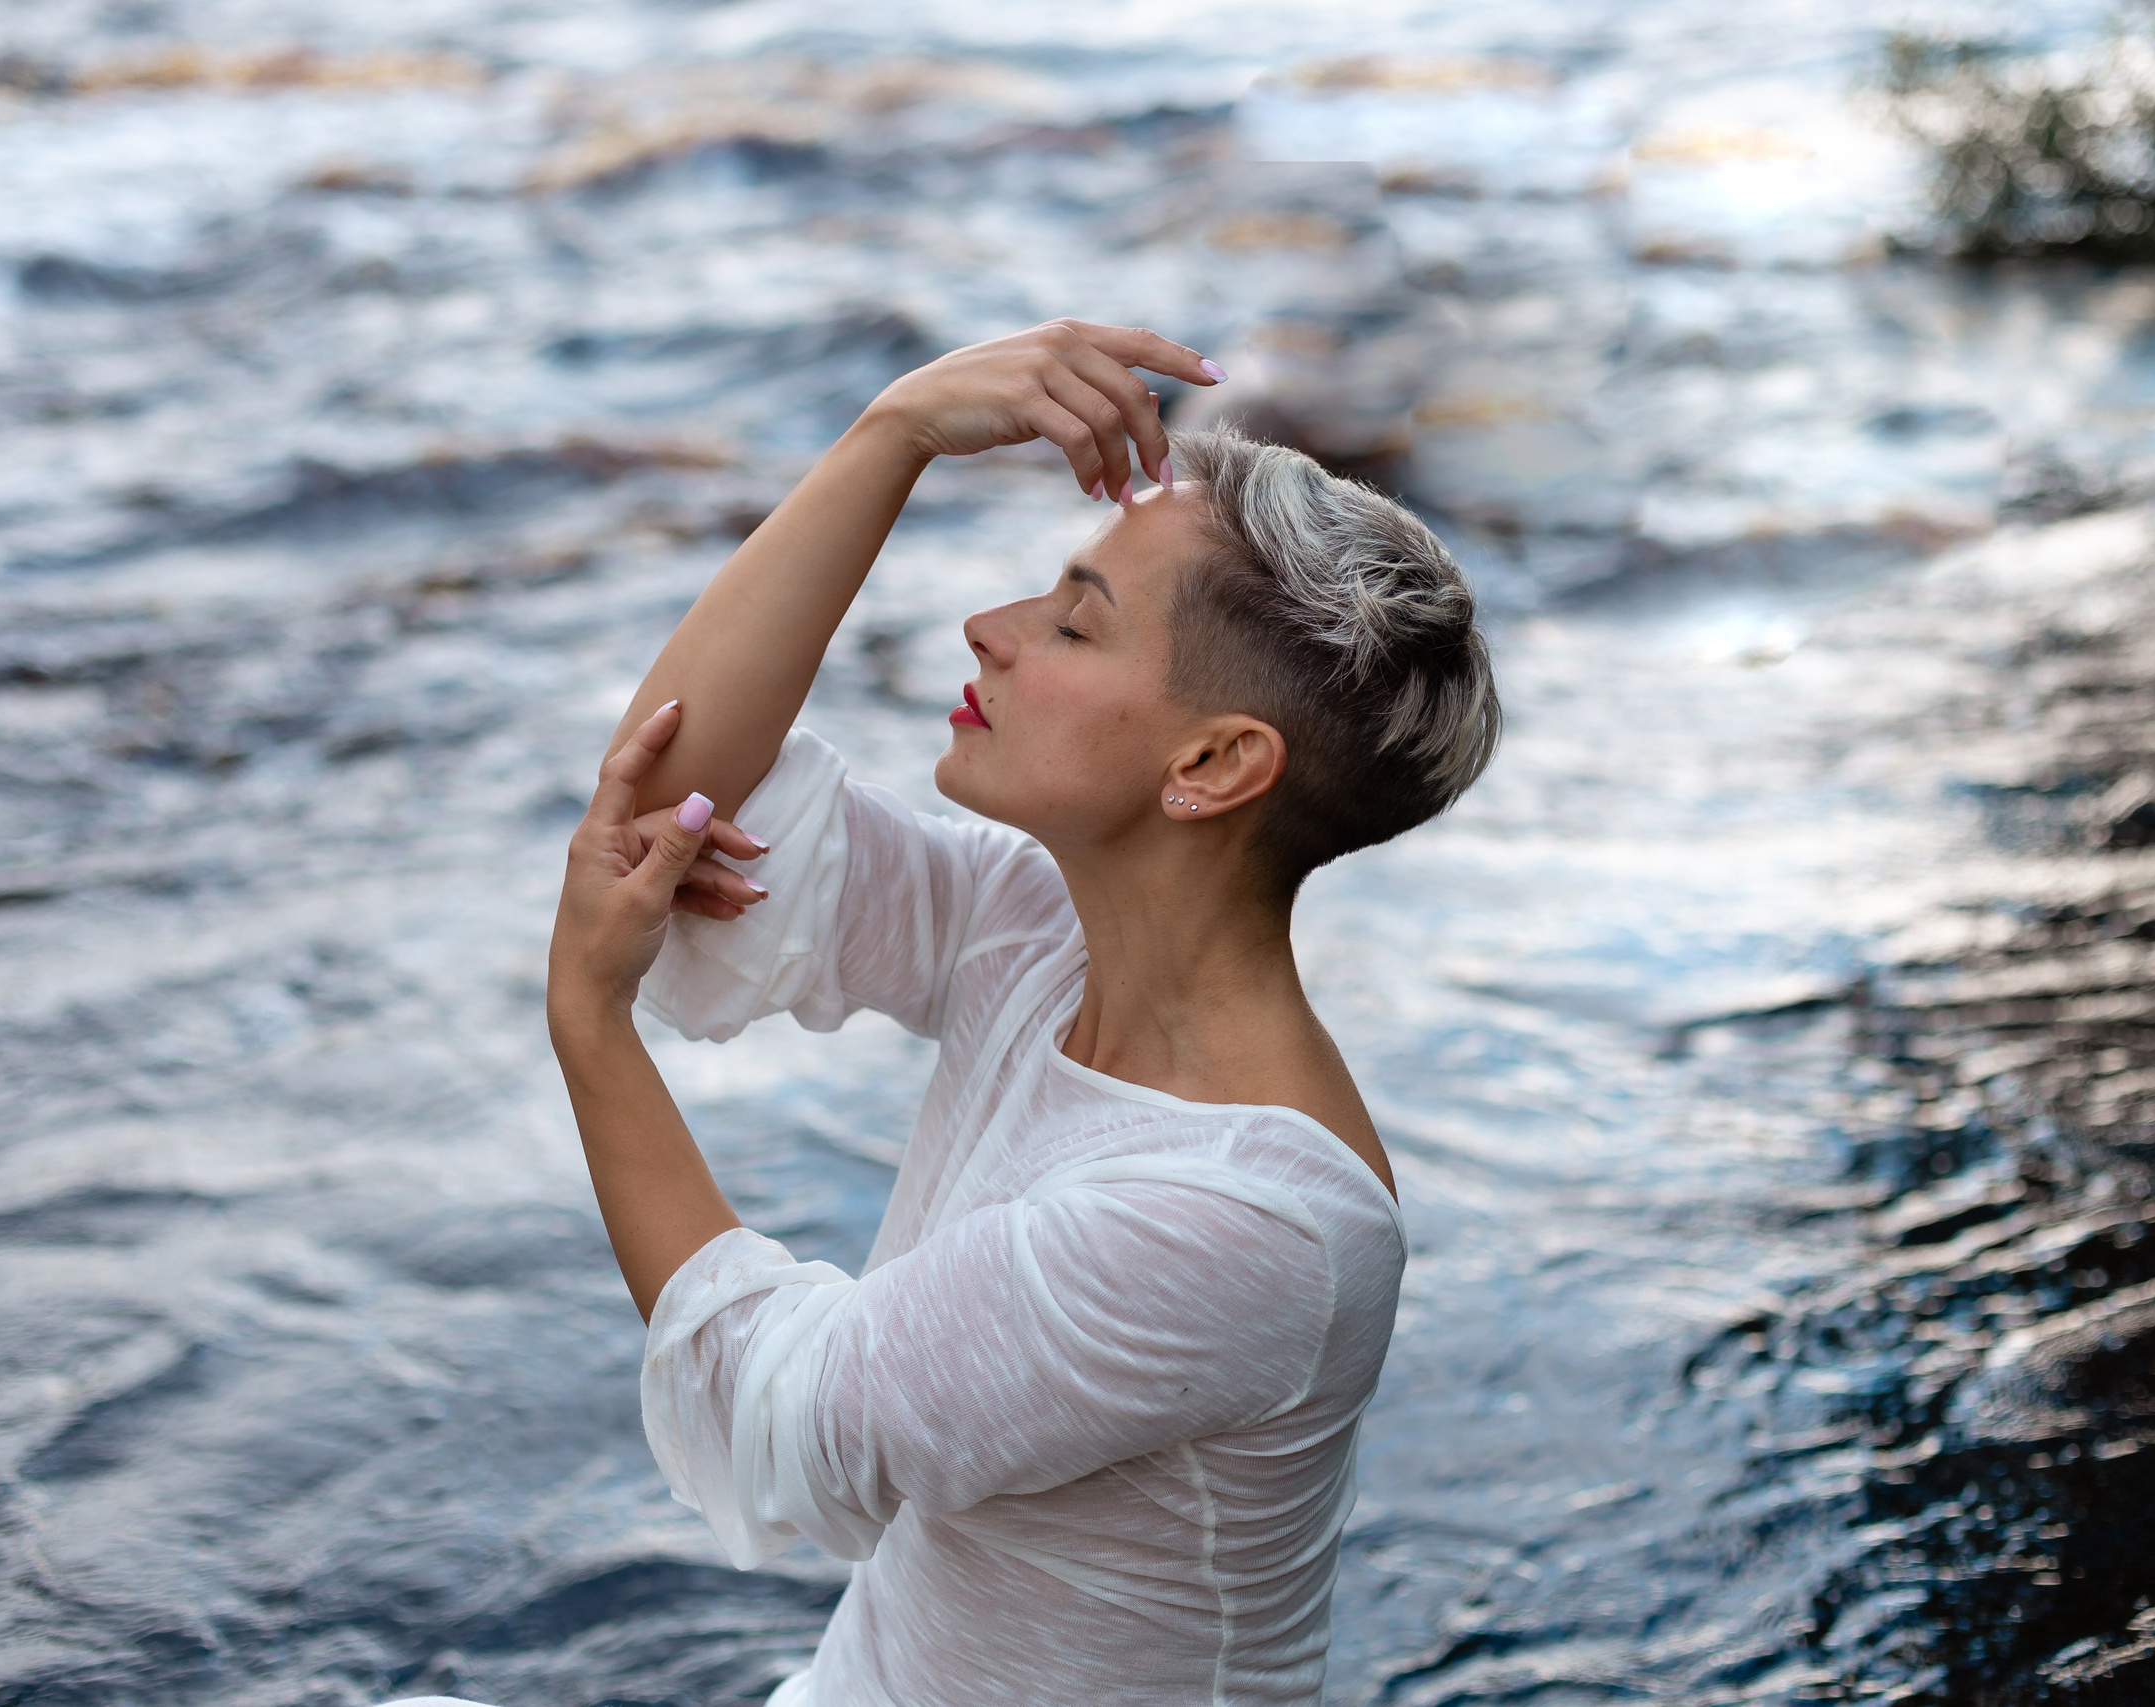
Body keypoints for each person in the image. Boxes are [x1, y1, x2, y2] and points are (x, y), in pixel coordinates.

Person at [387, 319, 1498, 1707]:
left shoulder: (1239, 1224)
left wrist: (587, 1024)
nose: (992, 629)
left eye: (1074, 619)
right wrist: (892, 435)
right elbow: (681, 803)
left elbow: (777, 1415)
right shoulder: (1045, 932)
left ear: (1213, 763)